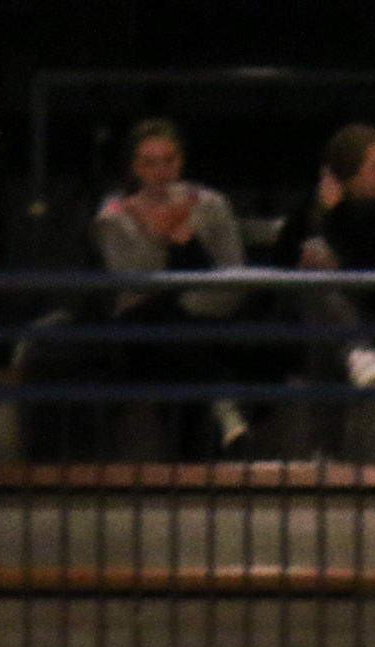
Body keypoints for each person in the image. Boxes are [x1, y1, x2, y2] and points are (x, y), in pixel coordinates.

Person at [90, 119, 259, 458]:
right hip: (144, 328)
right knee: (167, 331)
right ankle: (221, 409)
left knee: (188, 339)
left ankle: (199, 456)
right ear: (135, 167)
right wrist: (162, 238)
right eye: (149, 162)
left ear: (180, 161)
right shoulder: (114, 215)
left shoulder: (211, 204)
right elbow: (130, 280)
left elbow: (234, 274)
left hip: (206, 319)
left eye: (168, 160)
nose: (161, 171)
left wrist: (189, 298)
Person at [274, 123, 375, 390]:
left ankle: (358, 355)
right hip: (310, 321)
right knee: (315, 288)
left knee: (322, 303)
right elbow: (281, 268)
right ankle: (359, 355)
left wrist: (340, 260)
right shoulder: (311, 208)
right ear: (347, 175)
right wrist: (323, 217)